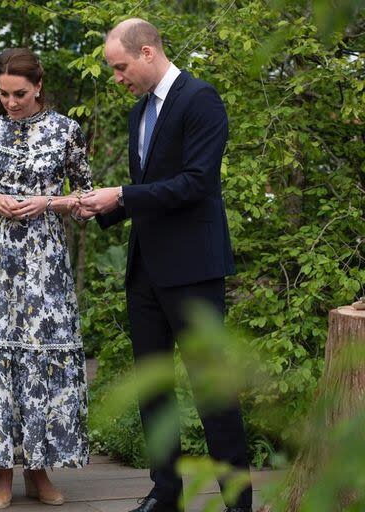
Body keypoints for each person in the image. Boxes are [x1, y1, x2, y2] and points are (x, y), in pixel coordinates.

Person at [77, 19, 253, 512]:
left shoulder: (201, 99)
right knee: (153, 387)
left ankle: (238, 501)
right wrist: (104, 206)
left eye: (121, 66)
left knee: (212, 392)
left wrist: (123, 194)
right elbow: (150, 192)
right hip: (146, 271)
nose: (118, 77)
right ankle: (165, 492)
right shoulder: (138, 112)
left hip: (194, 270)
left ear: (148, 52)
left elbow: (196, 183)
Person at [0, 48, 92, 509]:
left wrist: (48, 203)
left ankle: (39, 471)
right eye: (3, 94)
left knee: (41, 360)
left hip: (45, 259)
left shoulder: (66, 130)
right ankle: (1, 473)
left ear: (38, 86)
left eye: (19, 93)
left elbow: (87, 196)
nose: (11, 102)